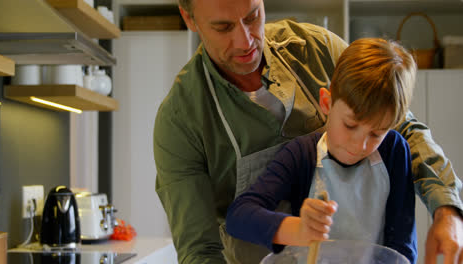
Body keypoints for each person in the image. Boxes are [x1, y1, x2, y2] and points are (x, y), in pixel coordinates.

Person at [153, 0, 463, 263]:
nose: (246, 41)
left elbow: (402, 126)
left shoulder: (316, 48)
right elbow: (200, 250)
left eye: (253, 17)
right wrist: (295, 229)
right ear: (189, 18)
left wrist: (448, 211)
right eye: (223, 28)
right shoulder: (181, 119)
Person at [226, 37, 418, 263]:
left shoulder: (394, 151)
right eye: (350, 125)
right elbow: (238, 216)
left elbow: (402, 247)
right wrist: (298, 230)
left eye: (376, 134)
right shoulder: (301, 155)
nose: (360, 145)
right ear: (326, 103)